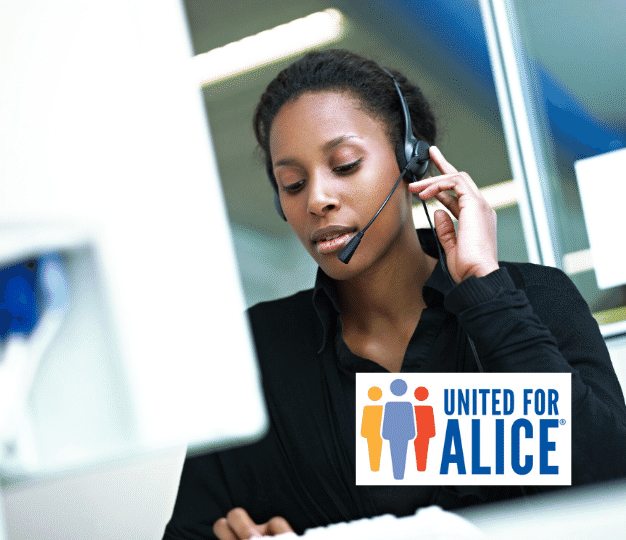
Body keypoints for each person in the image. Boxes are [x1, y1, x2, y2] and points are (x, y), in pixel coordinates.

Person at [164, 49, 626, 539]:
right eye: (292, 183)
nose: (317, 199)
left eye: (344, 165)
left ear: (411, 162)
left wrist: (485, 289)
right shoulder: (256, 349)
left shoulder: (532, 296)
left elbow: (610, 489)